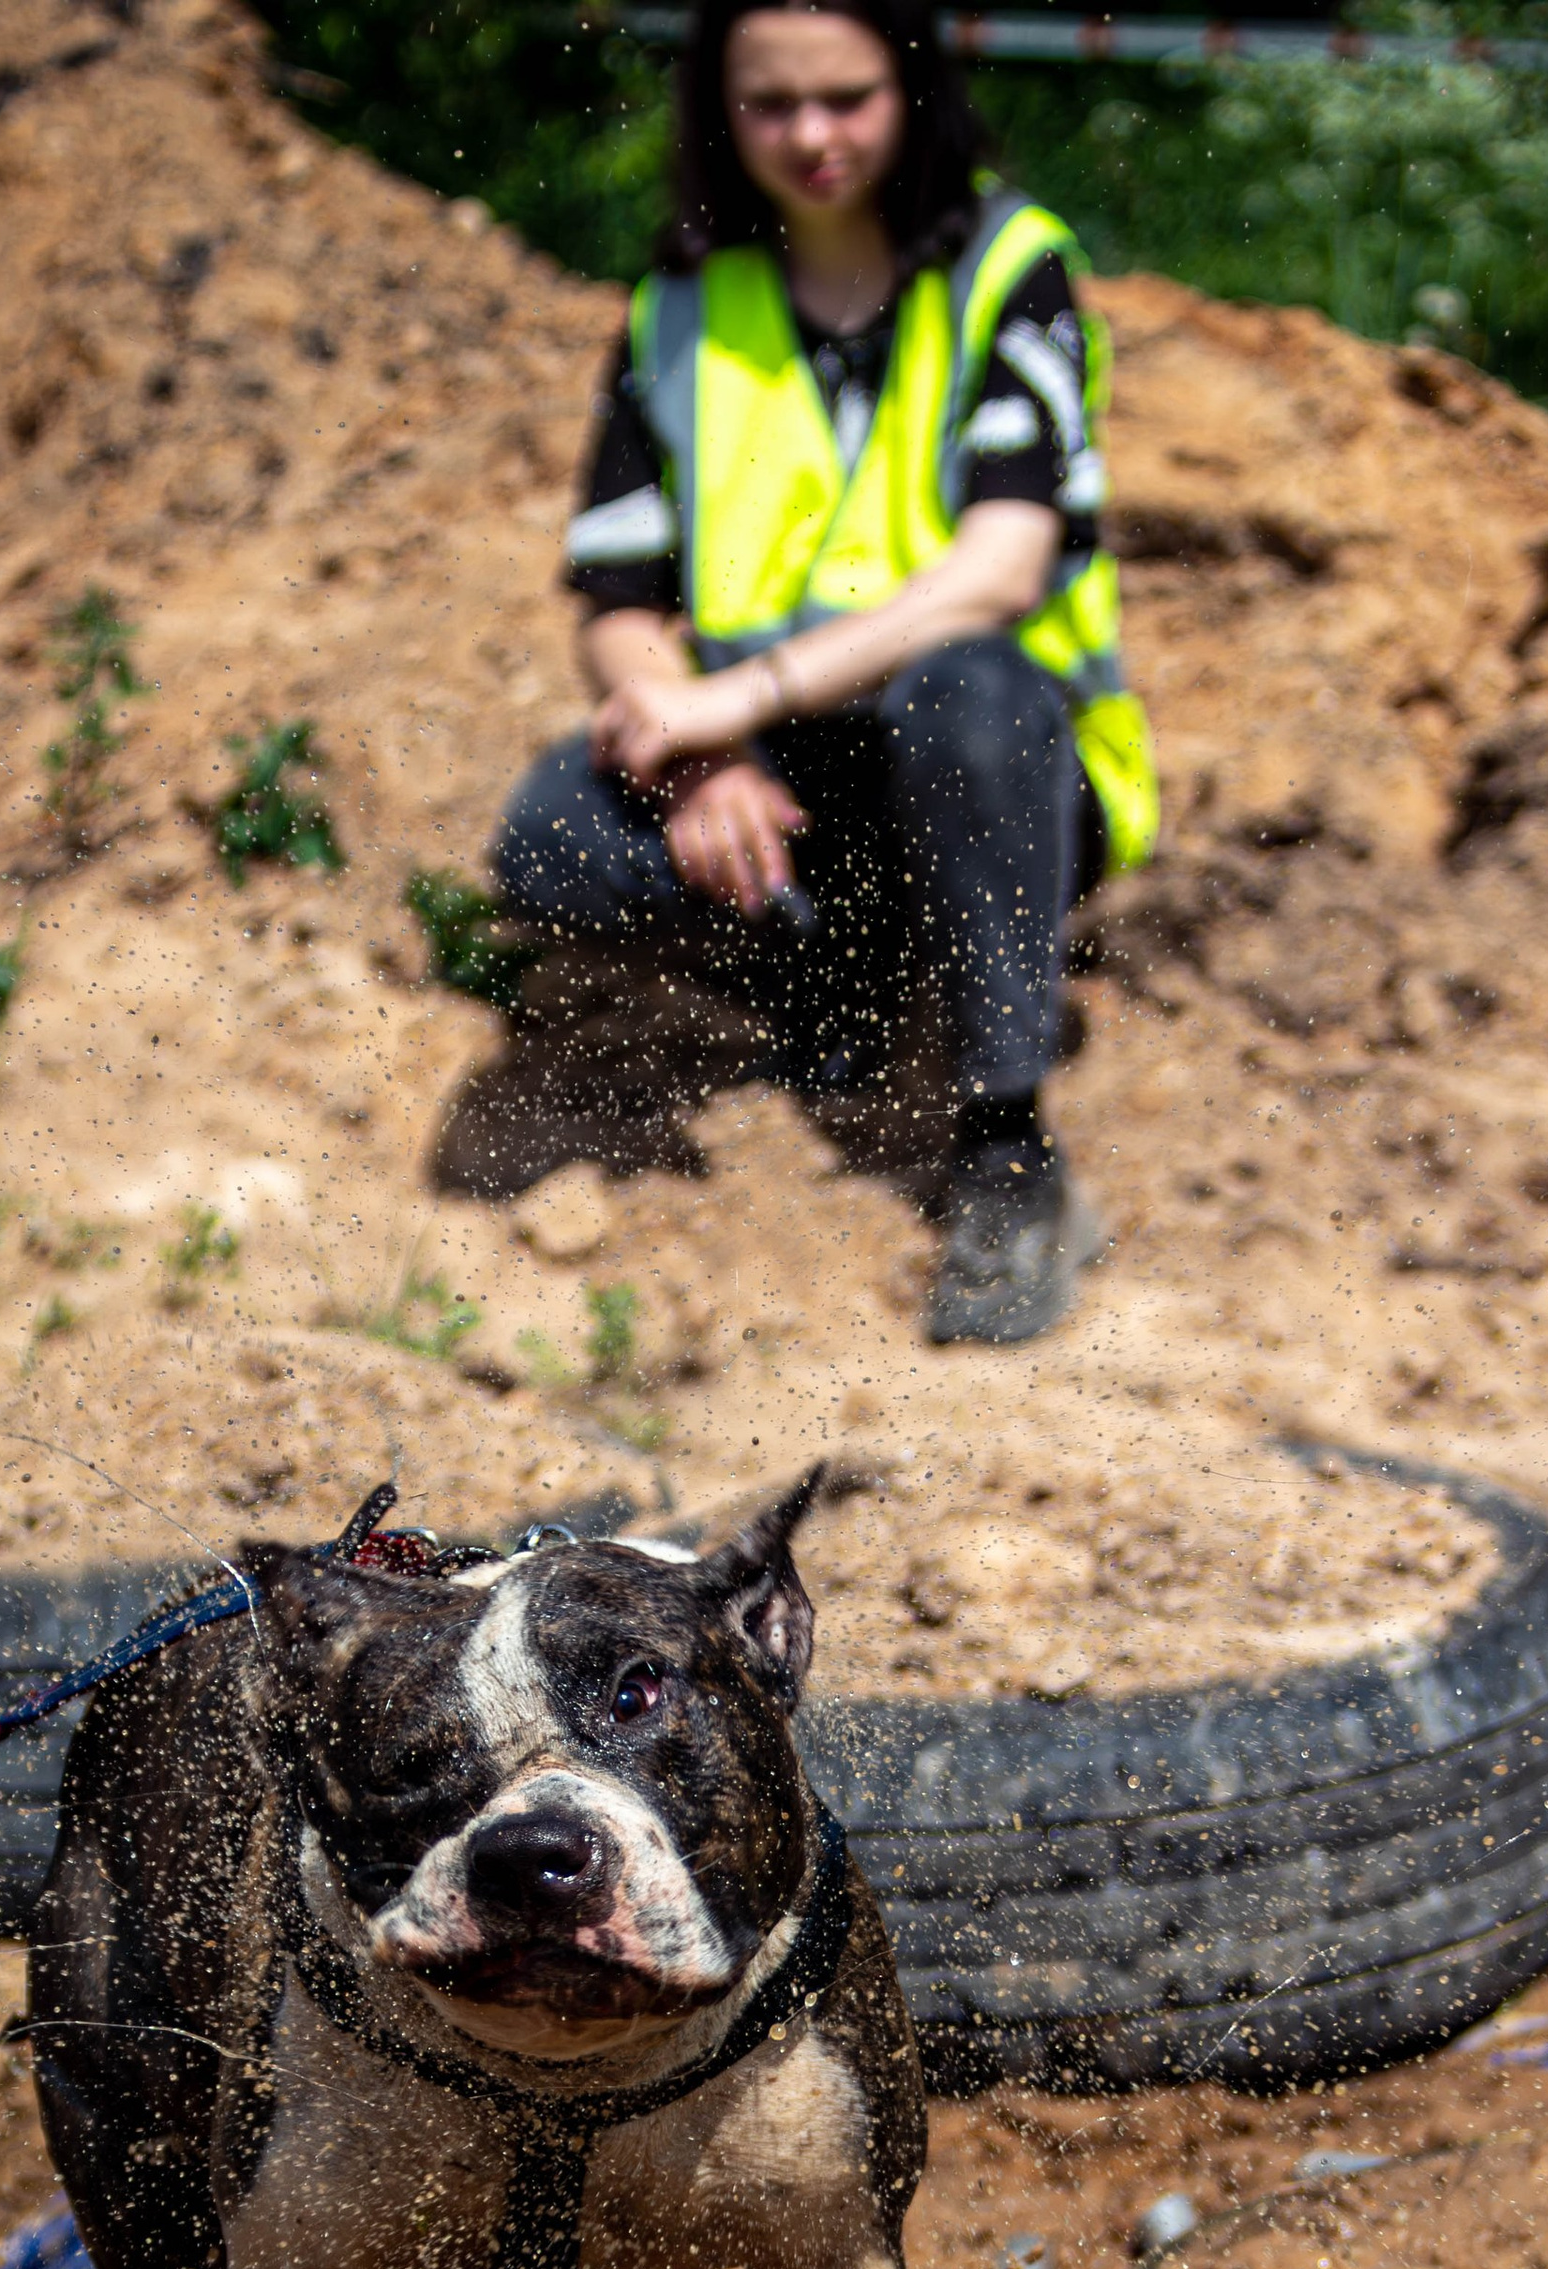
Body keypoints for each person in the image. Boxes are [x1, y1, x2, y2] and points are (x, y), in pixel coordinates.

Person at [490, 0, 1157, 1347]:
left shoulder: (1007, 268)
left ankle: (1006, 1149)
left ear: (911, 90)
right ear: (716, 114)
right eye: (770, 104)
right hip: (794, 775)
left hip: (1000, 767)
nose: (810, 136)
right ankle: (829, 997)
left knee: (969, 693)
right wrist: (697, 755)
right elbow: (618, 600)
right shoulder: (679, 306)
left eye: (845, 97)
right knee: (557, 834)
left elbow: (1003, 565)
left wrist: (734, 700)